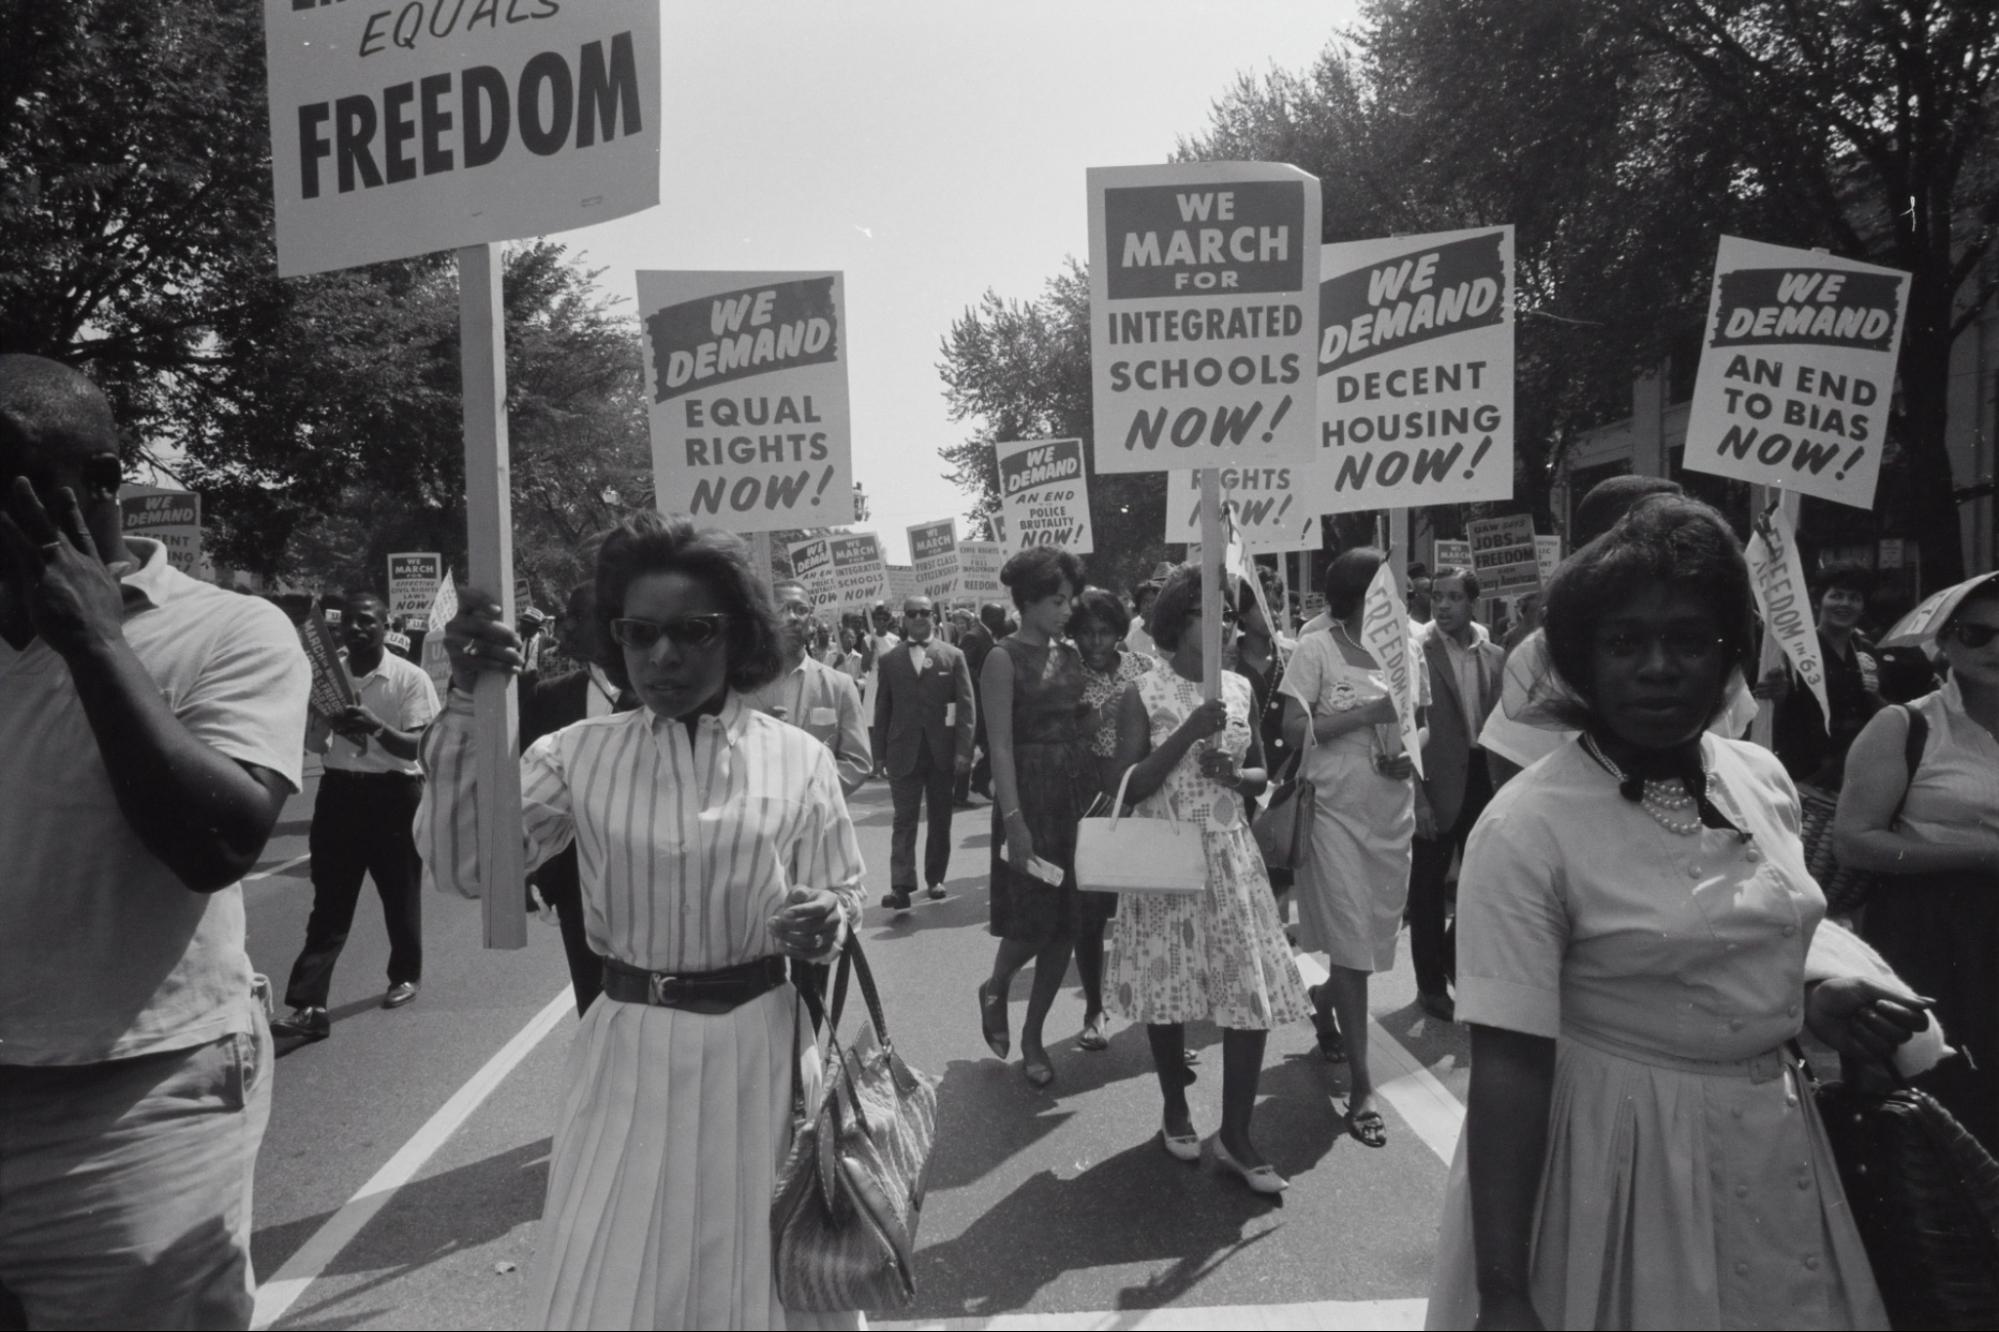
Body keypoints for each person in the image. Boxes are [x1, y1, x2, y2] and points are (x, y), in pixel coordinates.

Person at [1427, 494, 1930, 1331]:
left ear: (1729, 656)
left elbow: (1732, 945)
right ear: (1584, 661)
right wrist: (1504, 1290)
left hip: (1773, 1140)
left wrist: (1810, 1007)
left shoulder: (1760, 778)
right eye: (1624, 643)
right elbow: (1509, 1066)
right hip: (1614, 1162)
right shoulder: (1524, 827)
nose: (1656, 666)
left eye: (1688, 641)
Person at [420, 513, 864, 1329]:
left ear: (737, 636)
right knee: (611, 1278)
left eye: (692, 632)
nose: (663, 656)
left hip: (760, 1052)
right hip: (627, 1047)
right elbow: (467, 866)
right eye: (639, 632)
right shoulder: (573, 754)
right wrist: (463, 705)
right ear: (612, 637)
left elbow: (840, 889)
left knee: (758, 1283)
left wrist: (825, 917)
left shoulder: (798, 758)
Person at [0, 354, 309, 1327]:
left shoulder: (230, 632)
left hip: (133, 1111)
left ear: (94, 485)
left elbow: (216, 844)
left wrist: (93, 640)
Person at [1106, 566, 1311, 1192]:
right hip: (1166, 856)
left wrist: (1235, 775)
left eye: (1227, 609)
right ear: (1177, 621)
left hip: (1231, 856)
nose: (1222, 620)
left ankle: (1239, 1134)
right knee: (1169, 992)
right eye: (1207, 610)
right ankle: (1175, 1104)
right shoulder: (1145, 690)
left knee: (1246, 996)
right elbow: (1128, 786)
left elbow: (1264, 778)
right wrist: (1189, 734)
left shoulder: (1240, 688)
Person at [1837, 573, 1999, 1152]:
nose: (1995, 648)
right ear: (1944, 643)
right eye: (1978, 633)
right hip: (1930, 931)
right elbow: (1854, 840)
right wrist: (1978, 855)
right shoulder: (1906, 725)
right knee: (1943, 1098)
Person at [1280, 546, 1424, 1146]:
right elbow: (1293, 729)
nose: (1402, 596)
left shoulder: (1407, 650)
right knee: (1352, 944)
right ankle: (1364, 1087)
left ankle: (1323, 999)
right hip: (1333, 813)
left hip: (1391, 815)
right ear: (1362, 593)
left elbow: (1422, 720)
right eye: (1389, 587)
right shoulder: (1316, 648)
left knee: (1364, 941)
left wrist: (1405, 754)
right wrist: (1367, 713)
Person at [272, 589, 439, 1040]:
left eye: (368, 621)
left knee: (399, 894)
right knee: (330, 902)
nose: (358, 629)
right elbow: (312, 747)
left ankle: (405, 974)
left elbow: (420, 747)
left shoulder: (410, 678)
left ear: (386, 626)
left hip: (395, 797)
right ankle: (309, 1005)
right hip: (340, 795)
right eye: (349, 621)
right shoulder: (326, 680)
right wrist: (322, 722)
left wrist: (376, 728)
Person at [978, 546, 1094, 1087]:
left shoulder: (1070, 655)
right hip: (1029, 800)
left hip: (1073, 800)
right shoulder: (1002, 659)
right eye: (1056, 600)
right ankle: (997, 983)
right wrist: (1015, 820)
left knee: (1067, 925)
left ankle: (1032, 1036)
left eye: (1069, 600)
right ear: (1026, 602)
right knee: (1031, 921)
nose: (1066, 610)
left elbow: (1082, 720)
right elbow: (999, 747)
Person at [519, 580, 625, 1016]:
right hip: (578, 885)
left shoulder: (665, 696)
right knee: (595, 1006)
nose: (564, 627)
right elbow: (524, 794)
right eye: (563, 618)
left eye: (577, 617)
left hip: (655, 878)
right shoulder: (548, 696)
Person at [1410, 566, 1504, 1023]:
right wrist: (1417, 797)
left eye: (1452, 598)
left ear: (1473, 603)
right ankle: (1430, 986)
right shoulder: (1416, 653)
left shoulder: (1494, 656)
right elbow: (1405, 730)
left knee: (1482, 884)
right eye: (1436, 597)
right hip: (1435, 784)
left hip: (1485, 781)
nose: (1442, 606)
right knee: (1427, 891)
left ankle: (1452, 958)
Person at [1069, 586, 1154, 1051]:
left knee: (1145, 910)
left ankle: (1156, 1017)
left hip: (1143, 799)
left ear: (1121, 633)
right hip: (1094, 801)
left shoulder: (1144, 668)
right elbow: (1066, 731)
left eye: (1104, 633)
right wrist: (1106, 710)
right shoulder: (1067, 673)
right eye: (1086, 634)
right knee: (1091, 914)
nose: (1096, 643)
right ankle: (1094, 1008)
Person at [872, 593, 976, 910]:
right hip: (903, 751)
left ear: (933, 617)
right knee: (904, 819)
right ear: (903, 619)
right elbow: (882, 709)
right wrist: (879, 755)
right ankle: (901, 885)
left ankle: (935, 879)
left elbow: (967, 708)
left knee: (940, 818)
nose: (919, 618)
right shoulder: (890, 660)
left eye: (924, 612)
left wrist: (964, 750)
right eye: (912, 613)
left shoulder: (953, 655)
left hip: (942, 753)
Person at [745, 577, 873, 795]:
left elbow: (857, 763)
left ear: (811, 621)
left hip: (819, 818)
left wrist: (808, 793)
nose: (792, 617)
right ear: (765, 617)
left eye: (800, 609)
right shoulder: (739, 685)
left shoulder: (839, 686)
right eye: (781, 609)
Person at [1766, 561, 1886, 790]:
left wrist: (1875, 696)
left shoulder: (1867, 651)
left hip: (1858, 771)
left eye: (1854, 598)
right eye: (1836, 596)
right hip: (1806, 773)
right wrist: (1778, 696)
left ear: (1862, 607)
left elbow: (1887, 713)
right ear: (1819, 600)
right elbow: (1774, 716)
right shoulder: (1794, 651)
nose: (1845, 604)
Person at [955, 601, 1000, 805]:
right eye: (1000, 617)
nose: (1003, 620)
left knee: (991, 744)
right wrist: (984, 677)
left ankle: (979, 780)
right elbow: (962, 669)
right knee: (969, 746)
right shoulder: (974, 636)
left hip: (984, 700)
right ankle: (962, 793)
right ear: (990, 617)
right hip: (974, 702)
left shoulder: (985, 634)